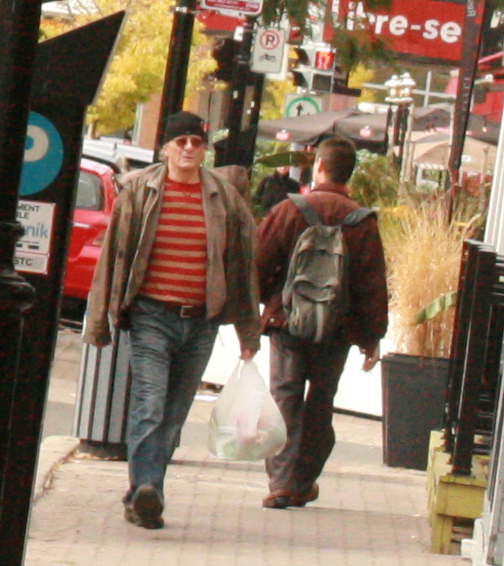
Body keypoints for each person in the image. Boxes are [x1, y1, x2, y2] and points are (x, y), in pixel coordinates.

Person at [82, 112, 262, 531]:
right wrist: (99, 323)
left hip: (201, 321)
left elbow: (242, 268)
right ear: (164, 148)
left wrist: (247, 333)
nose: (187, 148)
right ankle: (149, 488)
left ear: (205, 150)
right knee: (150, 403)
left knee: (175, 412)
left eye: (195, 143)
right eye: (179, 141)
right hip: (150, 315)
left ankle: (141, 493)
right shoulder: (140, 191)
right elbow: (113, 257)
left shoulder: (224, 198)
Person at [252, 133, 393, 509]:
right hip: (338, 330)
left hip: (288, 325)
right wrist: (371, 337)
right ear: (350, 173)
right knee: (320, 403)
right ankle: (303, 480)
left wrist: (266, 306)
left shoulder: (288, 209)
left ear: (319, 167)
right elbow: (371, 282)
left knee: (285, 397)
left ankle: (280, 482)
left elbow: (259, 263)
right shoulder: (362, 221)